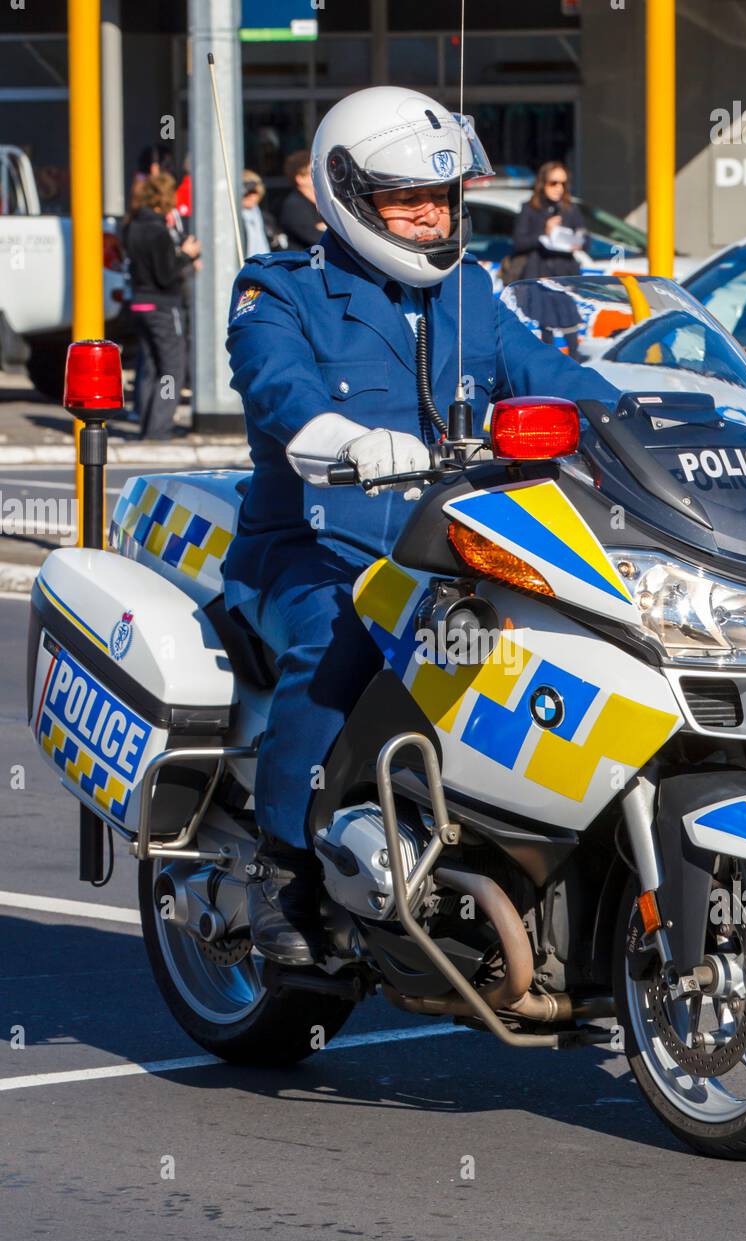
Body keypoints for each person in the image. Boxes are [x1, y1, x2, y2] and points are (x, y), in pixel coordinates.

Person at [223, 86, 621, 966]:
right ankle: (283, 870)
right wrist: (347, 442)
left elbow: (551, 374)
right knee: (334, 643)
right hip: (317, 548)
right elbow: (277, 389)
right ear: (348, 197)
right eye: (408, 200)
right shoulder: (279, 294)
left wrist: (641, 418)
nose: (433, 216)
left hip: (459, 549)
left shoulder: (473, 291)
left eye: (442, 199)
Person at [124, 173, 200, 440]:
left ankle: (146, 426)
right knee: (172, 369)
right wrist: (185, 256)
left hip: (139, 302)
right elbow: (166, 275)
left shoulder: (132, 226)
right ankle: (159, 430)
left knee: (151, 368)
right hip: (163, 305)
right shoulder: (159, 233)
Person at [512, 162, 586, 351]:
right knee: (546, 325)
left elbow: (586, 239)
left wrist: (577, 241)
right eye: (553, 183)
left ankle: (574, 365)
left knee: (569, 321)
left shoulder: (570, 209)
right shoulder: (530, 209)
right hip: (540, 273)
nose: (559, 188)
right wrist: (544, 232)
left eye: (563, 183)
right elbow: (519, 242)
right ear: (542, 183)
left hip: (565, 272)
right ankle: (547, 366)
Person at [278, 149, 326, 250]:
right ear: (300, 178)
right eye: (312, 172)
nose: (318, 176)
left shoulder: (323, 201)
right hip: (305, 261)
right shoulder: (294, 205)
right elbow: (313, 237)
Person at [240, 169, 284, 257]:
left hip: (264, 266)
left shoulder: (266, 218)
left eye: (254, 192)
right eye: (246, 193)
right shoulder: (234, 219)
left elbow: (278, 246)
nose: (251, 196)